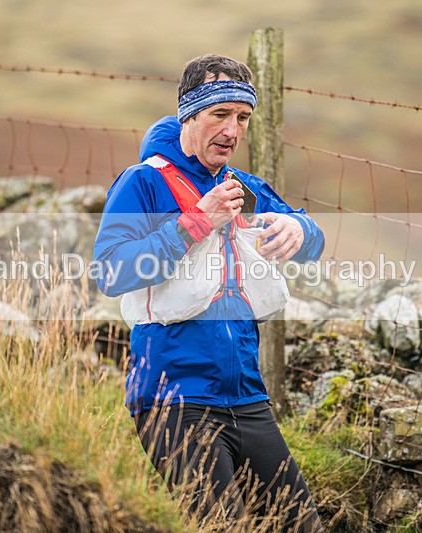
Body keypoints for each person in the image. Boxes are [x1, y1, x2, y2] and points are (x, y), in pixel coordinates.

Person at [93, 54, 325, 532]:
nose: (233, 130)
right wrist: (197, 222)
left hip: (247, 398)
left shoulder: (246, 188)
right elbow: (111, 271)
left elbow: (311, 243)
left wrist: (300, 229)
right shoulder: (144, 183)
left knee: (302, 526)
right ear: (188, 115)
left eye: (242, 118)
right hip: (172, 399)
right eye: (220, 114)